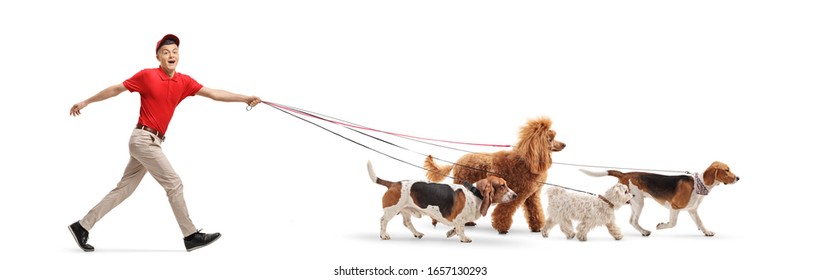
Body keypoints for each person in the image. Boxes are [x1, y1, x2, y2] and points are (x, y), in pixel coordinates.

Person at [67, 34, 261, 252]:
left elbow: (214, 93)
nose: (171, 55)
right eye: (166, 52)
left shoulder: (184, 82)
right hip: (143, 140)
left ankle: (82, 226)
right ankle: (190, 235)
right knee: (174, 183)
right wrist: (86, 101)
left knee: (124, 189)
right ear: (158, 56)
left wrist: (245, 98)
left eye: (175, 52)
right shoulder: (147, 76)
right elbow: (116, 89)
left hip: (152, 142)